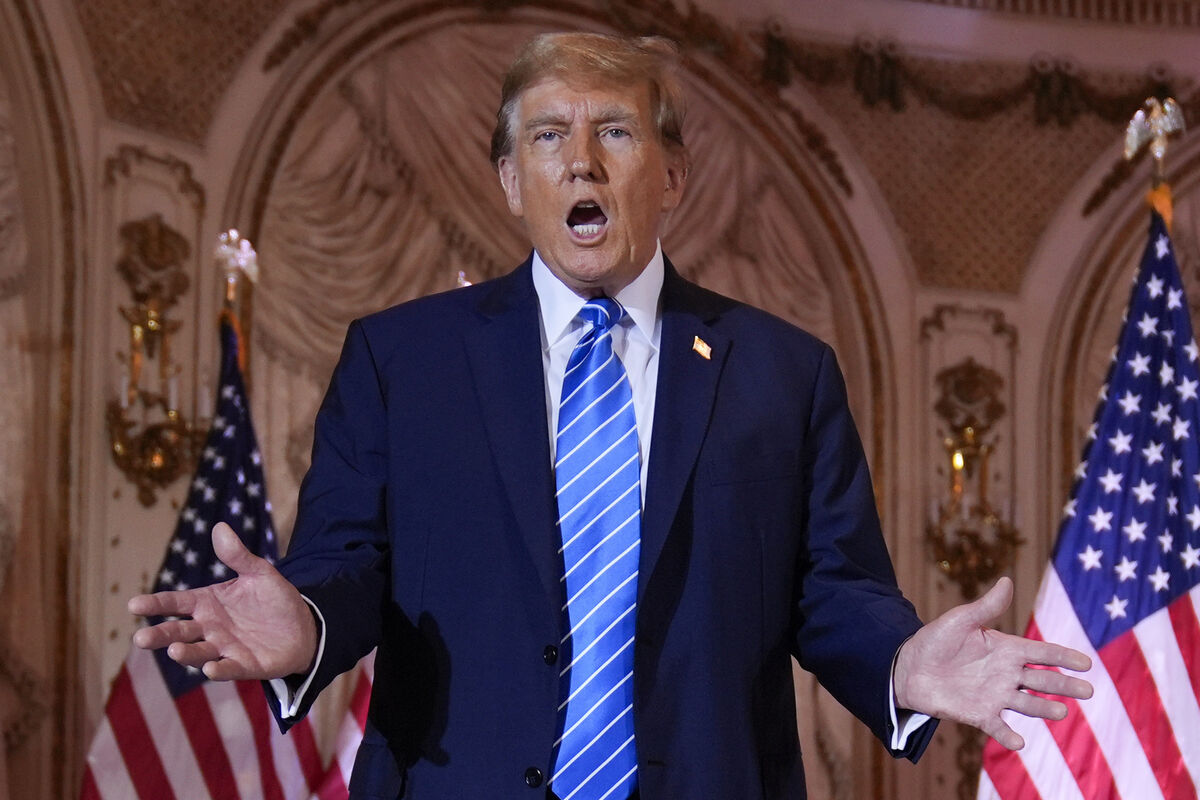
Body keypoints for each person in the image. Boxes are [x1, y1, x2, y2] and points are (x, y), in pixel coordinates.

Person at [129, 32, 1093, 800]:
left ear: (672, 176)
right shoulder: (403, 359)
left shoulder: (782, 374)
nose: (580, 163)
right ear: (512, 182)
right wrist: (301, 623)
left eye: (615, 133)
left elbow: (831, 590)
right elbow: (348, 561)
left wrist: (903, 662)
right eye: (547, 137)